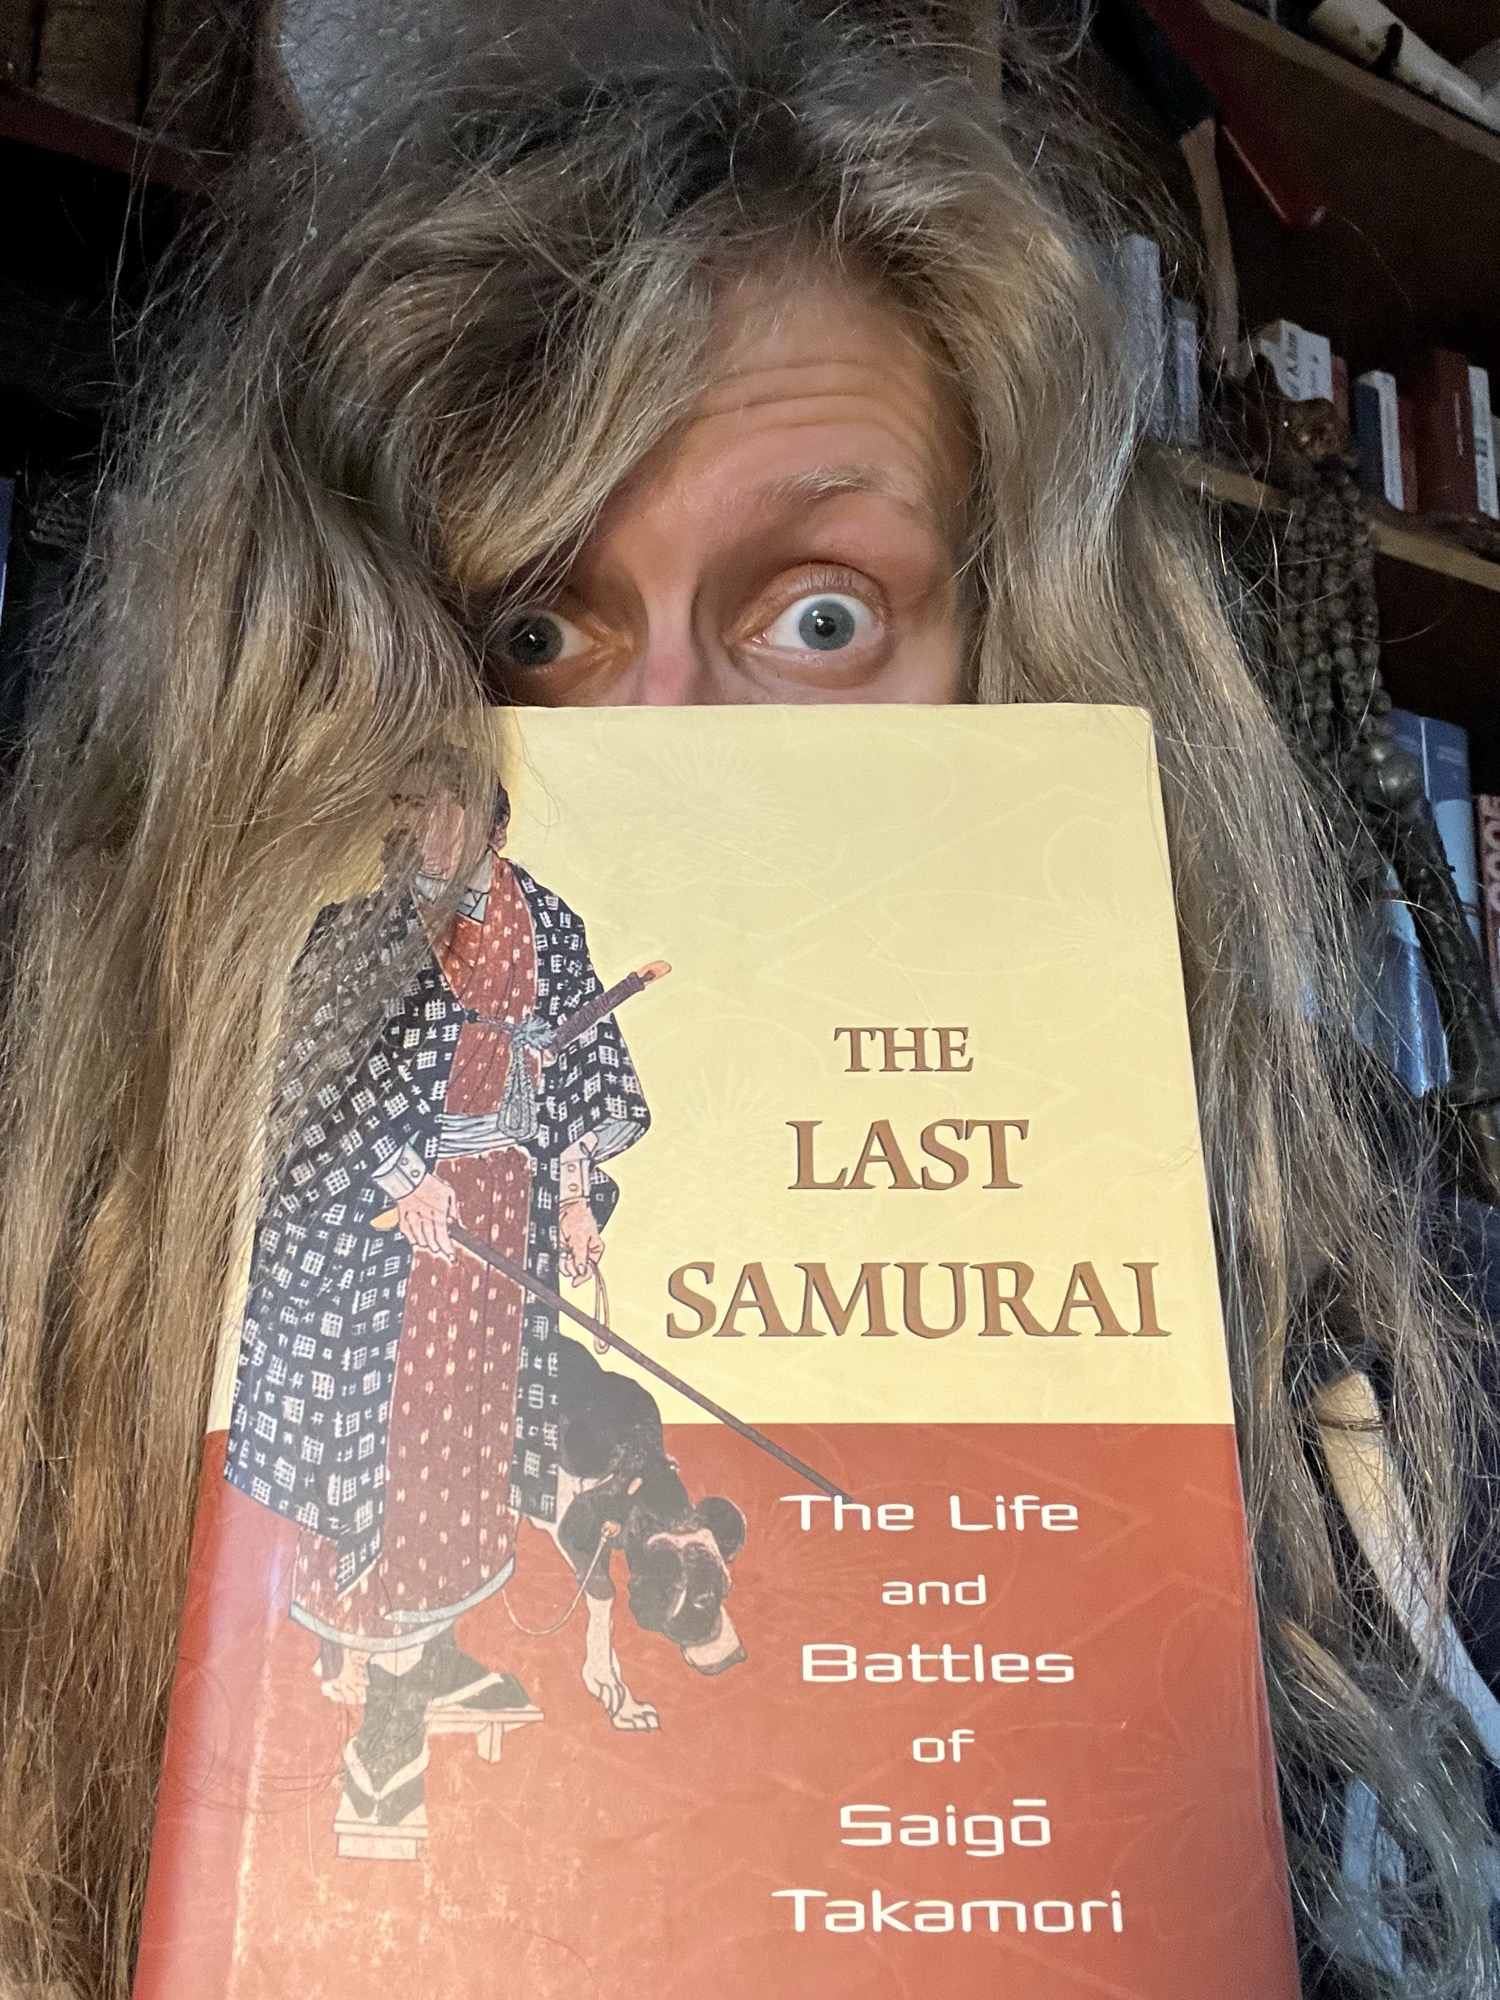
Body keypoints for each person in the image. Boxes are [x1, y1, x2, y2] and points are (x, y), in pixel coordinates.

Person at [0, 2, 1491, 1994]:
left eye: (821, 615)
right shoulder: (105, 1317)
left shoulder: (1349, 1330)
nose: (669, 744)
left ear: (1024, 666)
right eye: (533, 628)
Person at [228, 765, 650, 1840]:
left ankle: (437, 1643)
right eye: (405, 804)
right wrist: (400, 1175)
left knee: (474, 1437)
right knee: (399, 1440)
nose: (418, 824)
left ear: (489, 822)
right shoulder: (357, 932)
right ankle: (385, 1724)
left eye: (441, 805)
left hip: (502, 1214)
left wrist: (572, 1198)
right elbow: (307, 1081)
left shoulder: (546, 920)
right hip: (395, 1233)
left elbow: (579, 1066)